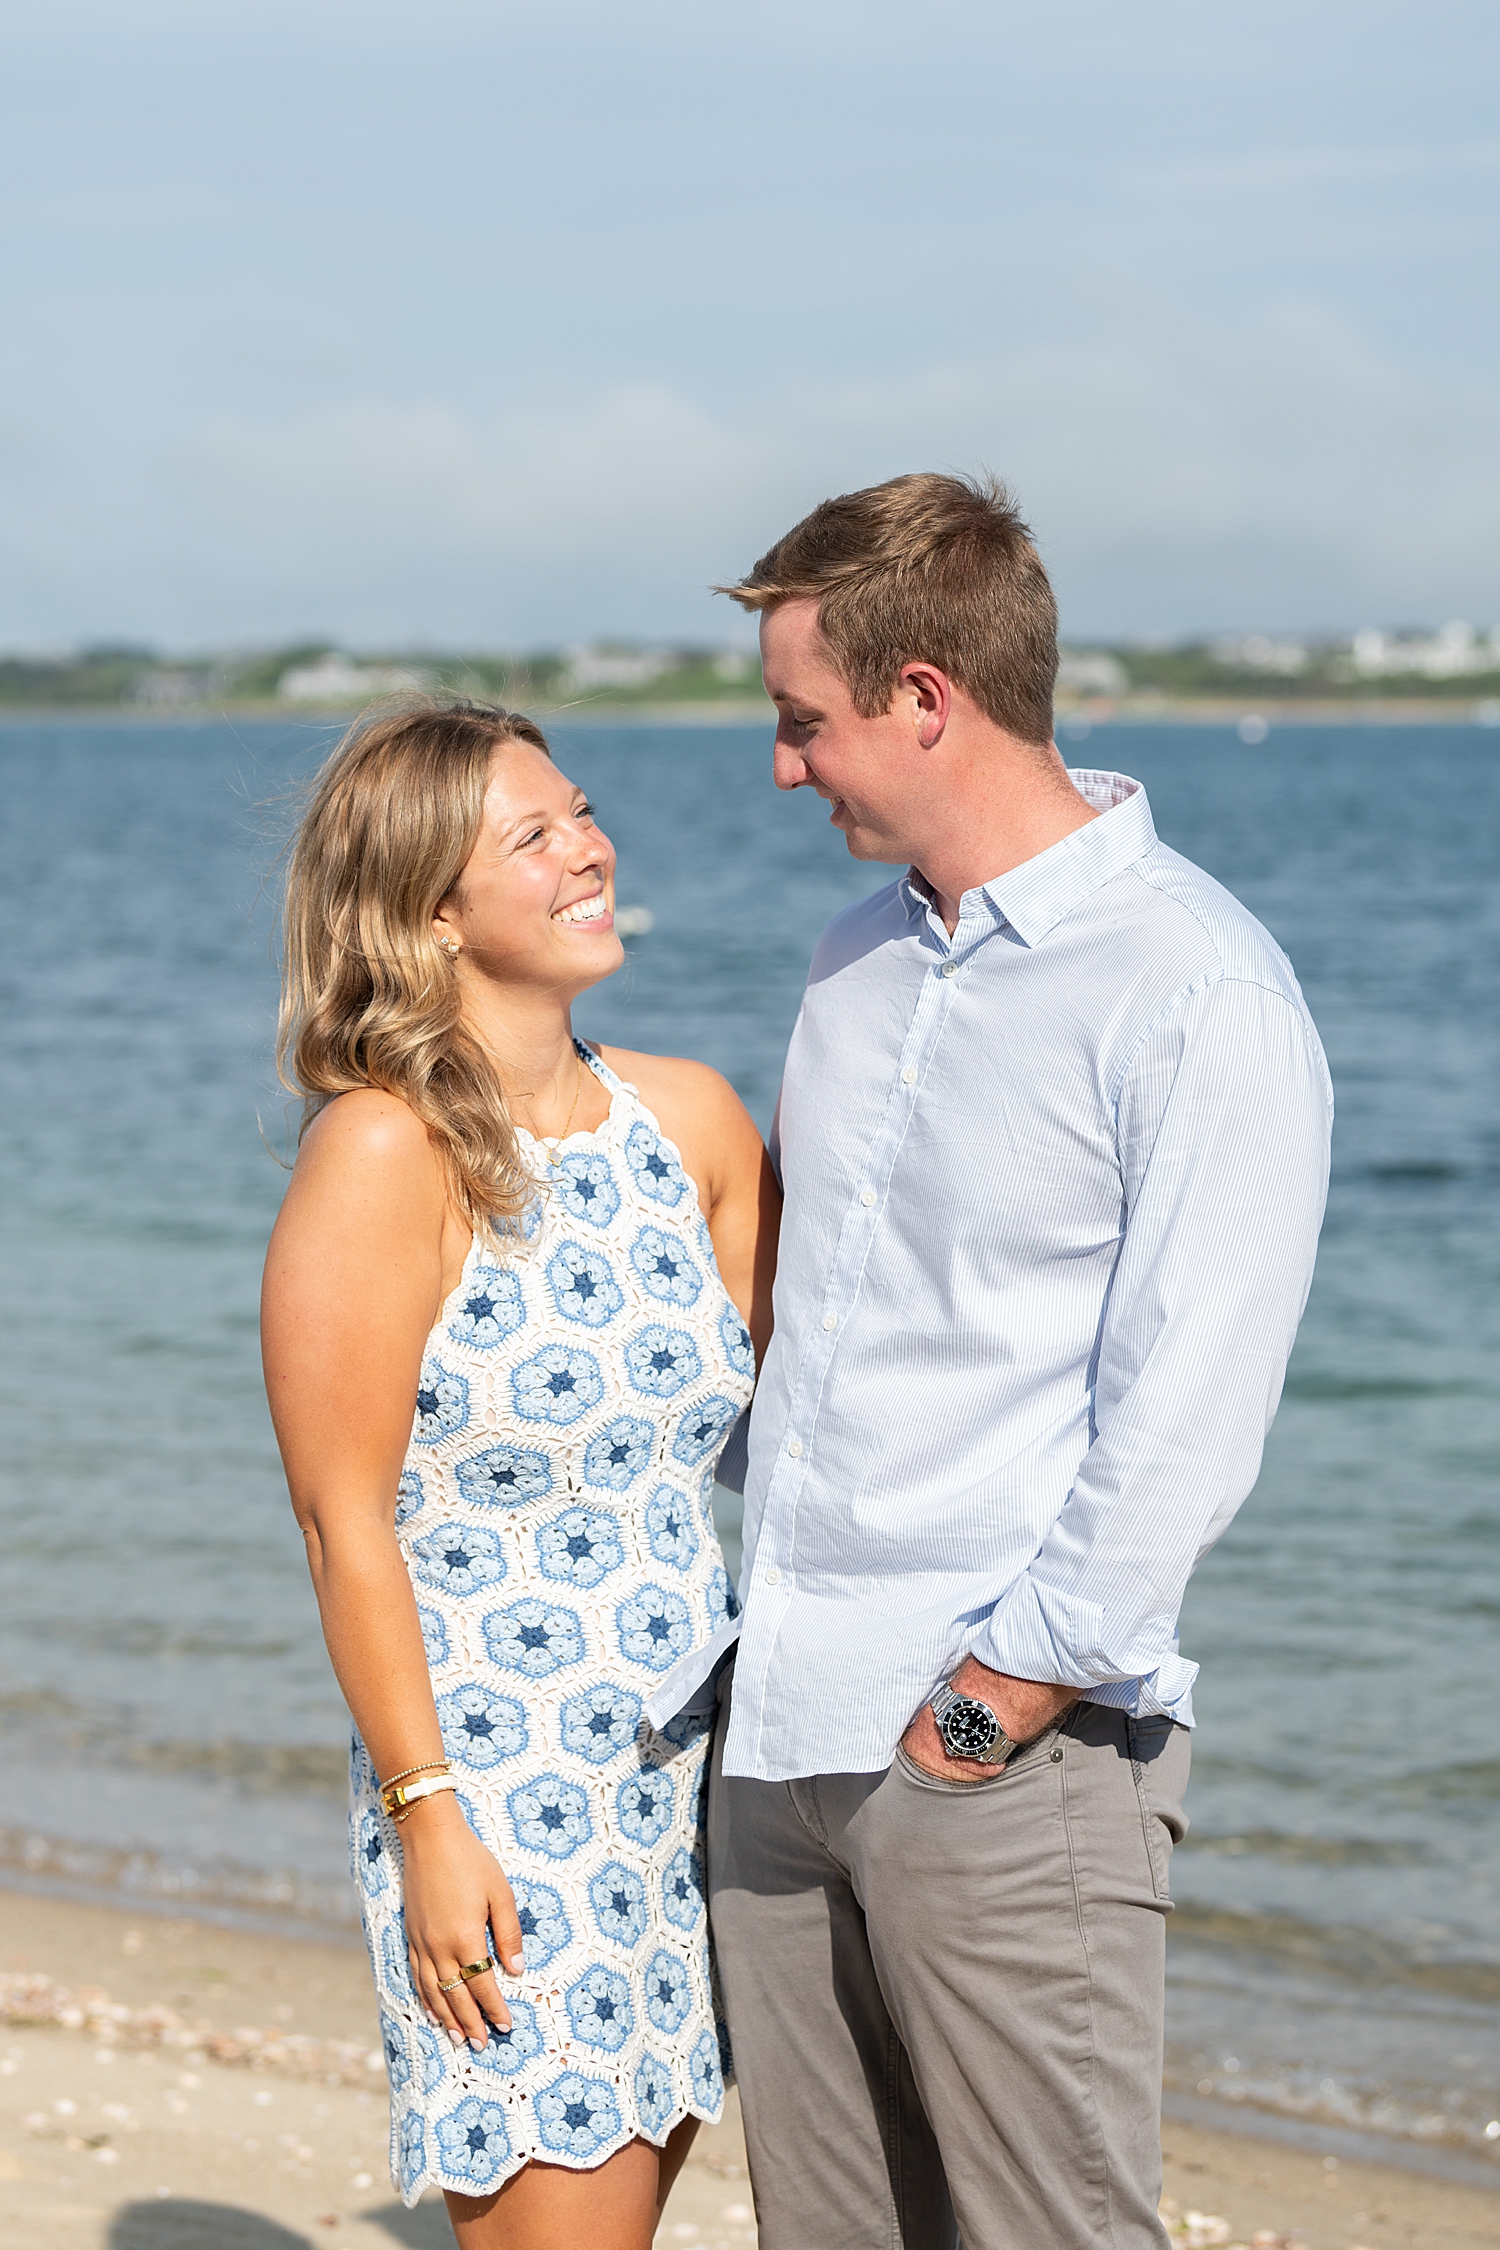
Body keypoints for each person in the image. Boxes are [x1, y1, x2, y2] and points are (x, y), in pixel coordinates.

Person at [669, 474, 1333, 2250]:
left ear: (924, 699)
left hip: (994, 1755)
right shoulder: (853, 965)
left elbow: (1187, 1419)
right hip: (783, 1732)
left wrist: (992, 1708)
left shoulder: (1198, 991)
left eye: (803, 723)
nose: (786, 767)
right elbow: (819, 1334)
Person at [260, 701, 778, 2250]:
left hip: (704, 1779)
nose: (589, 849)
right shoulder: (381, 1150)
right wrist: (430, 1818)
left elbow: (804, 1433)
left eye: (584, 812)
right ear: (429, 909)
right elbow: (342, 1522)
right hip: (504, 1793)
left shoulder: (690, 1120)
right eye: (532, 837)